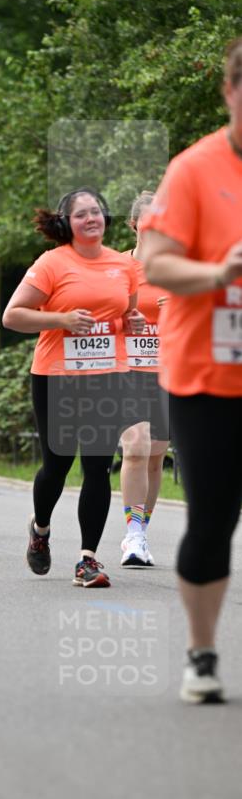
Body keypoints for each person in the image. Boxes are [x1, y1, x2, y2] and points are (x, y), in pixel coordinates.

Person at [140, 36, 242, 704]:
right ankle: (201, 653)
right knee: (212, 517)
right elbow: (153, 262)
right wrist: (219, 272)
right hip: (208, 374)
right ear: (231, 91)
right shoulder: (194, 169)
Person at [3, 188, 144, 588]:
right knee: (57, 466)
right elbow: (13, 315)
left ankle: (88, 560)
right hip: (57, 377)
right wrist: (62, 319)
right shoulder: (51, 263)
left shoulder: (123, 264)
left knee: (97, 465)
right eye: (81, 214)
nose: (91, 219)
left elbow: (125, 312)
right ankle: (41, 529)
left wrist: (130, 322)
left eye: (96, 211)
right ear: (67, 223)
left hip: (107, 377)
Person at [119, 191, 171, 568]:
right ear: (135, 224)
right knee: (135, 447)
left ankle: (141, 531)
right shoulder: (117, 268)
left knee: (155, 458)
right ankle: (132, 536)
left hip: (169, 372)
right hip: (127, 371)